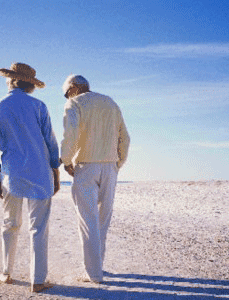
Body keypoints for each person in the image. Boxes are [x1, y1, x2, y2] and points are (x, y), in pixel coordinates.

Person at [0, 62, 61, 293]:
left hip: (12, 174)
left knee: (10, 224)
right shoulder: (39, 106)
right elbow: (50, 142)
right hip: (40, 173)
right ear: (30, 84)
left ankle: (6, 273)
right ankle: (37, 280)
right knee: (38, 228)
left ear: (10, 80)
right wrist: (56, 173)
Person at [61, 75, 130, 283]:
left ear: (73, 88)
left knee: (87, 220)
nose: (66, 98)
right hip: (110, 167)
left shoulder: (74, 103)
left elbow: (70, 133)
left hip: (86, 166)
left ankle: (93, 274)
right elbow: (124, 137)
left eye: (65, 93)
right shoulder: (110, 102)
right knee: (103, 220)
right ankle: (98, 266)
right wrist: (118, 163)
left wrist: (66, 160)